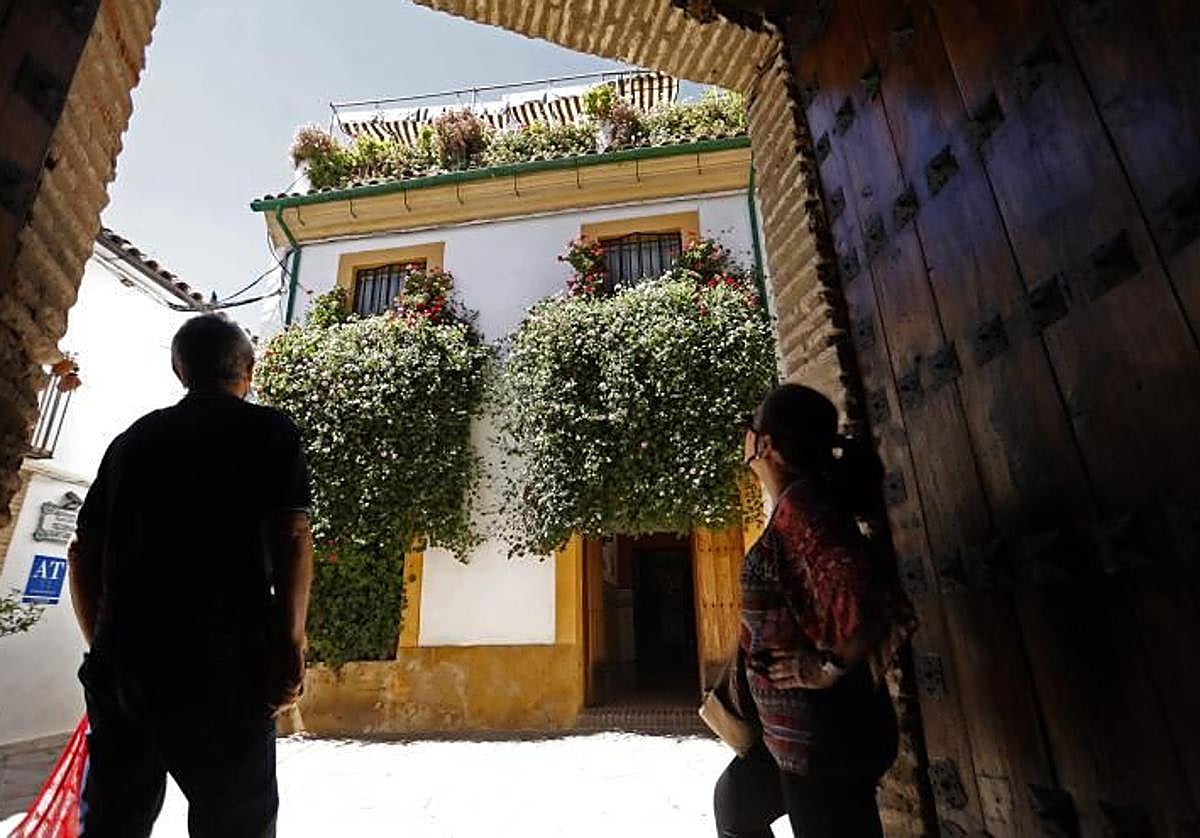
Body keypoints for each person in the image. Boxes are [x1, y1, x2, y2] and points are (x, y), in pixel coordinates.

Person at [68, 313, 314, 837]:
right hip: (226, 662)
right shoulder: (267, 431)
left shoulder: (131, 442)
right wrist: (290, 643)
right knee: (234, 823)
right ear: (248, 369)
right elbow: (292, 535)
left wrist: (104, 644)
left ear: (179, 369)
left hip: (127, 662)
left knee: (114, 821)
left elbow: (82, 552)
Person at [713, 384, 917, 838]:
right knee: (736, 803)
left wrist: (822, 668)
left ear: (766, 445)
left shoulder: (805, 510)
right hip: (796, 734)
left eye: (751, 426)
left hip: (822, 738)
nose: (744, 436)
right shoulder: (799, 504)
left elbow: (866, 599)